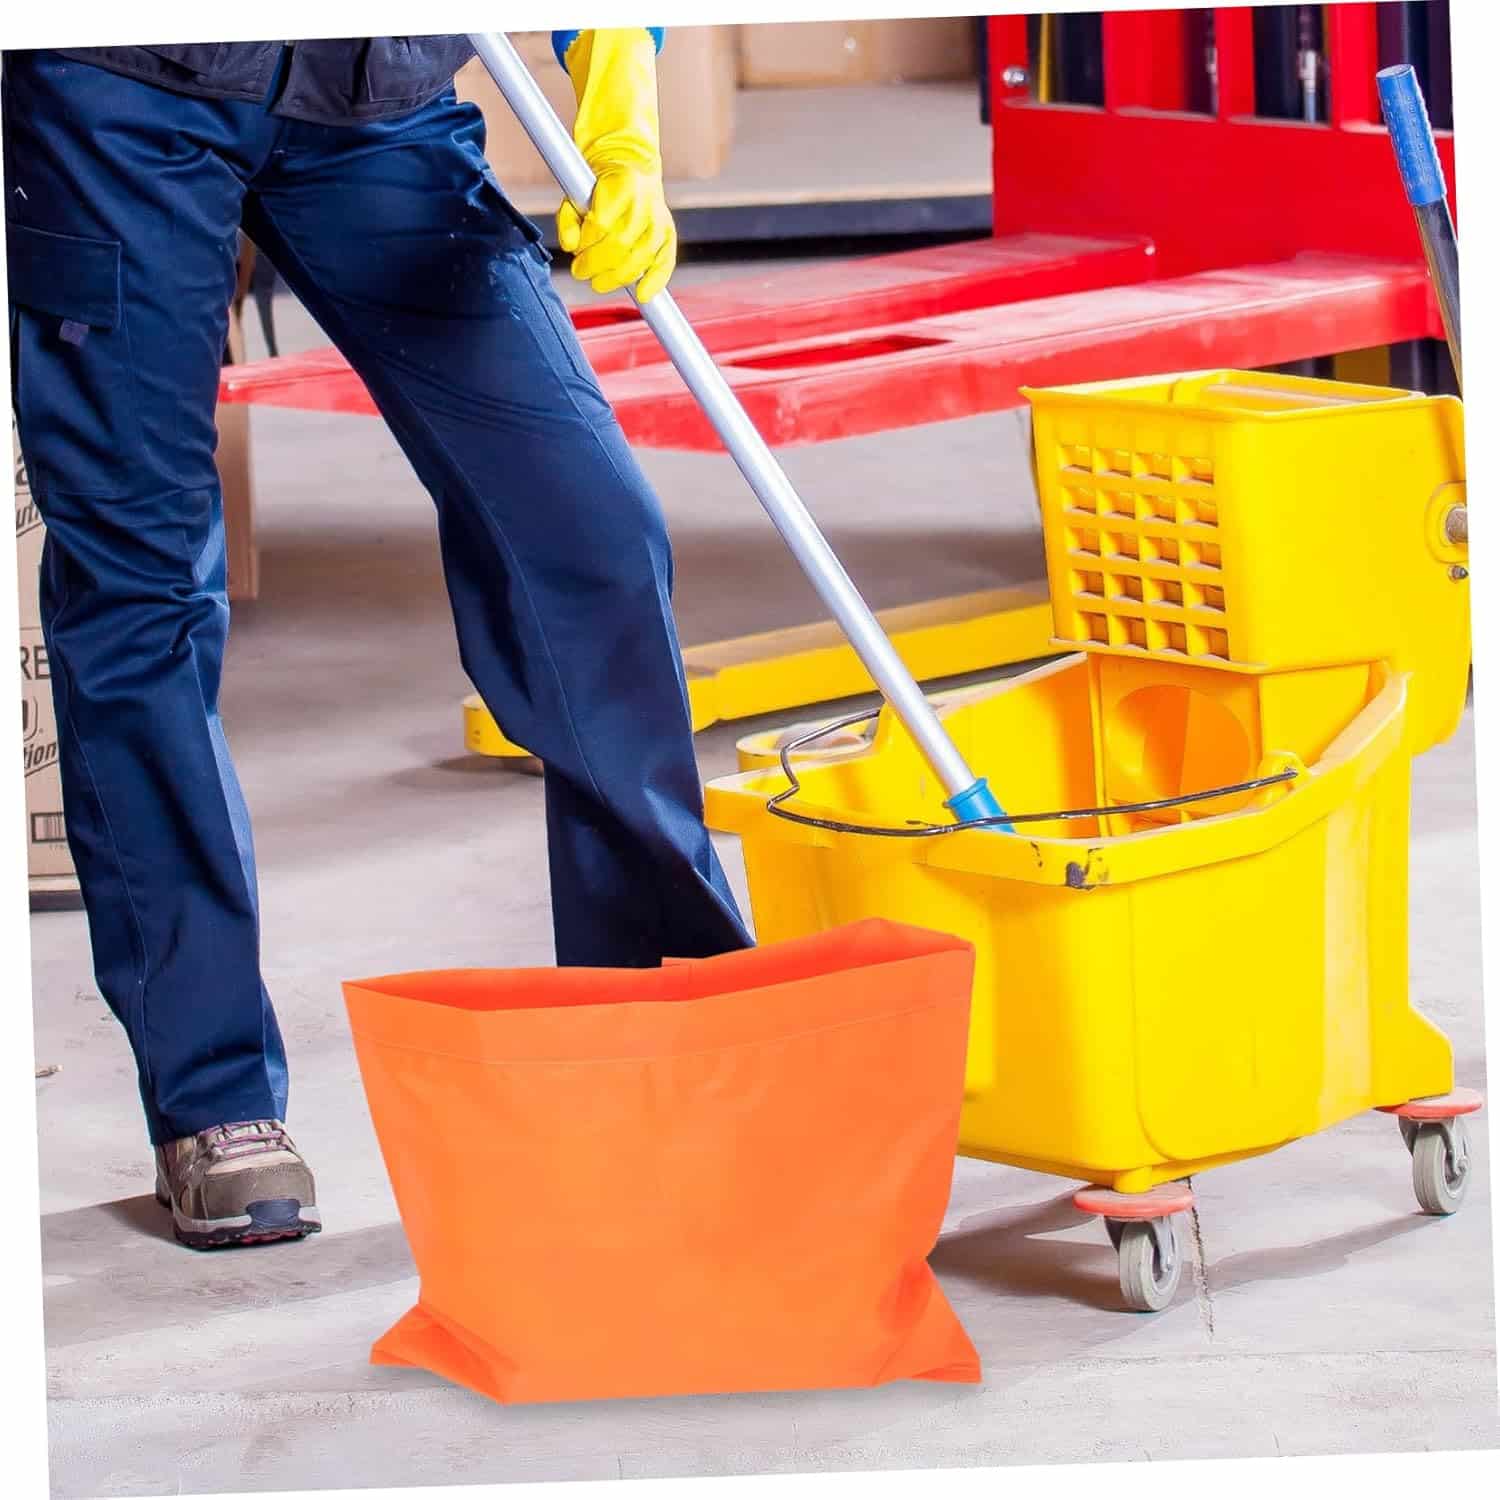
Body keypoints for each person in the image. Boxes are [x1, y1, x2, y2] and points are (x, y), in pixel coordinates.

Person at [4, 31, 753, 1250]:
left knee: (587, 528)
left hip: (376, 91)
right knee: (143, 586)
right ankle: (212, 1096)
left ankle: (663, 1017)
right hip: (120, 91)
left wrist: (619, 76)